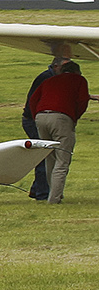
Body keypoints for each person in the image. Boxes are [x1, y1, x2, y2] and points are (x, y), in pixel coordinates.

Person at [28, 60, 90, 204]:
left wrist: (35, 116)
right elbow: (82, 101)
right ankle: (54, 198)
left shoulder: (50, 79)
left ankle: (52, 193)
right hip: (61, 117)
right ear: (77, 72)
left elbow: (33, 99)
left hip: (41, 116)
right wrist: (74, 118)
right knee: (62, 159)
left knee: (50, 157)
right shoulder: (79, 80)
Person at [21, 57, 65, 200]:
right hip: (33, 119)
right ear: (56, 66)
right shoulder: (46, 78)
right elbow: (33, 100)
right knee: (44, 155)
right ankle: (43, 193)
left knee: (45, 153)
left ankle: (37, 189)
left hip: (37, 118)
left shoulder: (54, 77)